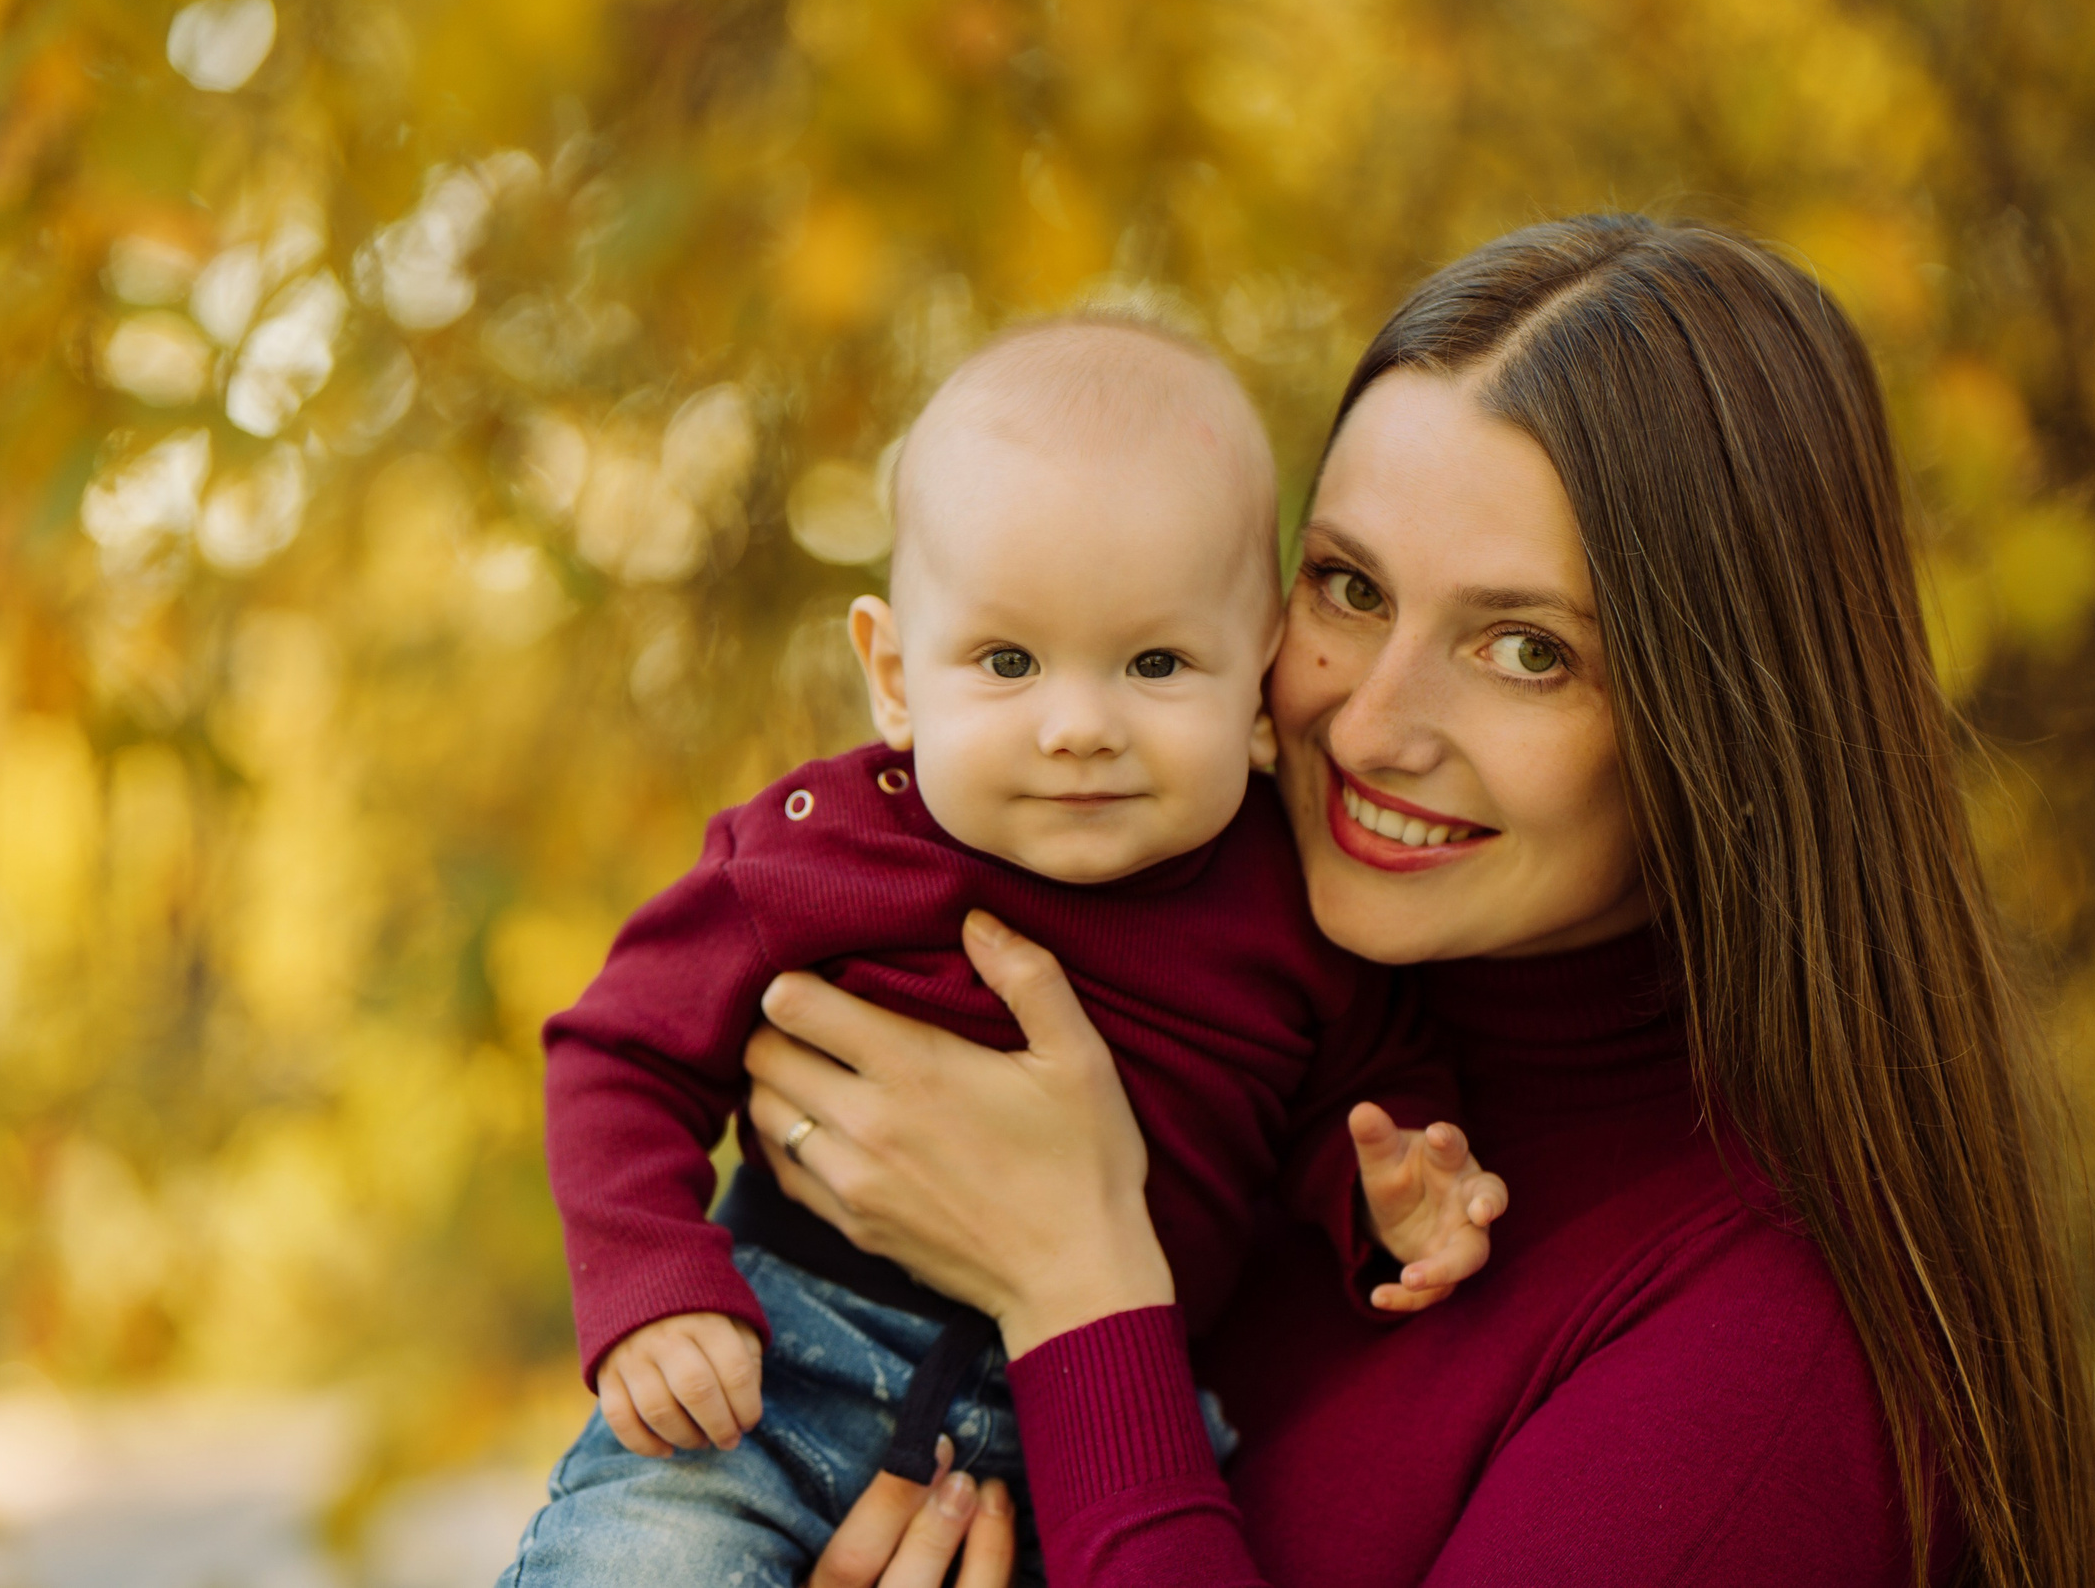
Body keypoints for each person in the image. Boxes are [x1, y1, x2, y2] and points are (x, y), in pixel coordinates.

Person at [742, 217, 2095, 1586]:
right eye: (1349, 585)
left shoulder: (1767, 1369)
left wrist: (1080, 1284)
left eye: (1526, 648)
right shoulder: (1242, 1075)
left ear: (1728, 722)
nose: (1370, 722)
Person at [500, 319, 1510, 1588]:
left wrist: (1396, 1192)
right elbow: (617, 1052)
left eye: (1154, 662)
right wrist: (657, 1285)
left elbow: (1359, 1091)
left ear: (1258, 676)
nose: (1078, 725)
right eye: (1008, 661)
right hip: (768, 1376)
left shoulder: (1296, 903)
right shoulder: (821, 851)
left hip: (1089, 1438)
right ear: (895, 674)